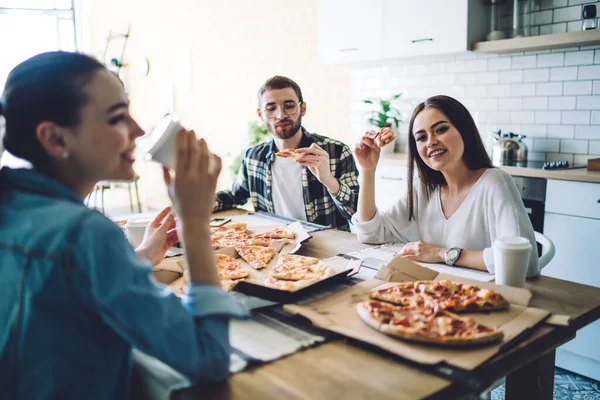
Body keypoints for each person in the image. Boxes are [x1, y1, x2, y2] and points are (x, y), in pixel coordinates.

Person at [0, 51, 248, 399]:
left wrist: (142, 255)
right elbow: (209, 358)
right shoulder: (86, 233)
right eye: (118, 118)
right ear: (55, 139)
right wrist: (195, 225)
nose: (139, 130)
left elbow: (63, 285)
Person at [352, 95, 539, 278]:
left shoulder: (495, 182)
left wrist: (440, 254)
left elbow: (524, 262)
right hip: (436, 295)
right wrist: (368, 171)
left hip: (484, 297)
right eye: (421, 137)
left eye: (440, 130)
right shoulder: (424, 189)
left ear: (464, 130)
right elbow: (371, 233)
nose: (431, 142)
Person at [214, 75, 359, 231]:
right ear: (260, 115)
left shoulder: (336, 152)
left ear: (302, 109)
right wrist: (195, 203)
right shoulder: (253, 157)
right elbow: (235, 196)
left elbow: (357, 214)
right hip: (277, 245)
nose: (281, 115)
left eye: (289, 106)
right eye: (271, 108)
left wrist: (330, 181)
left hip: (328, 246)